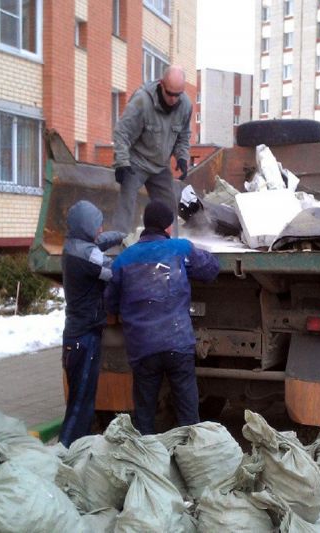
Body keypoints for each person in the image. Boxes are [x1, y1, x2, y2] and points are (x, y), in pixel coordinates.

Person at [105, 200, 219, 435]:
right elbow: (210, 270)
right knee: (188, 412)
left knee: (144, 412)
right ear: (168, 227)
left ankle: (147, 457)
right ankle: (192, 455)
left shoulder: (124, 259)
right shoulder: (180, 249)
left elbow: (110, 303)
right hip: (177, 343)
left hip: (143, 348)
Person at [59, 200, 125, 447]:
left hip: (81, 333)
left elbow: (99, 241)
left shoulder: (76, 245)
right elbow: (115, 271)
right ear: (86, 227)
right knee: (81, 403)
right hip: (83, 338)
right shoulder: (86, 256)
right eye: (97, 225)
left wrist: (121, 236)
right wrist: (139, 253)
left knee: (84, 399)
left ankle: (78, 450)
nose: (100, 230)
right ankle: (64, 452)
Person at [112, 65, 193, 233]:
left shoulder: (185, 105)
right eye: (169, 93)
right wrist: (122, 162)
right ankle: (115, 249)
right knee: (126, 206)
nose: (173, 99)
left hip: (160, 166)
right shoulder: (142, 101)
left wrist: (182, 157)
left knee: (169, 209)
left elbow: (183, 135)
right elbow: (122, 132)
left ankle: (171, 249)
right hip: (136, 162)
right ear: (161, 84)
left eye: (177, 95)